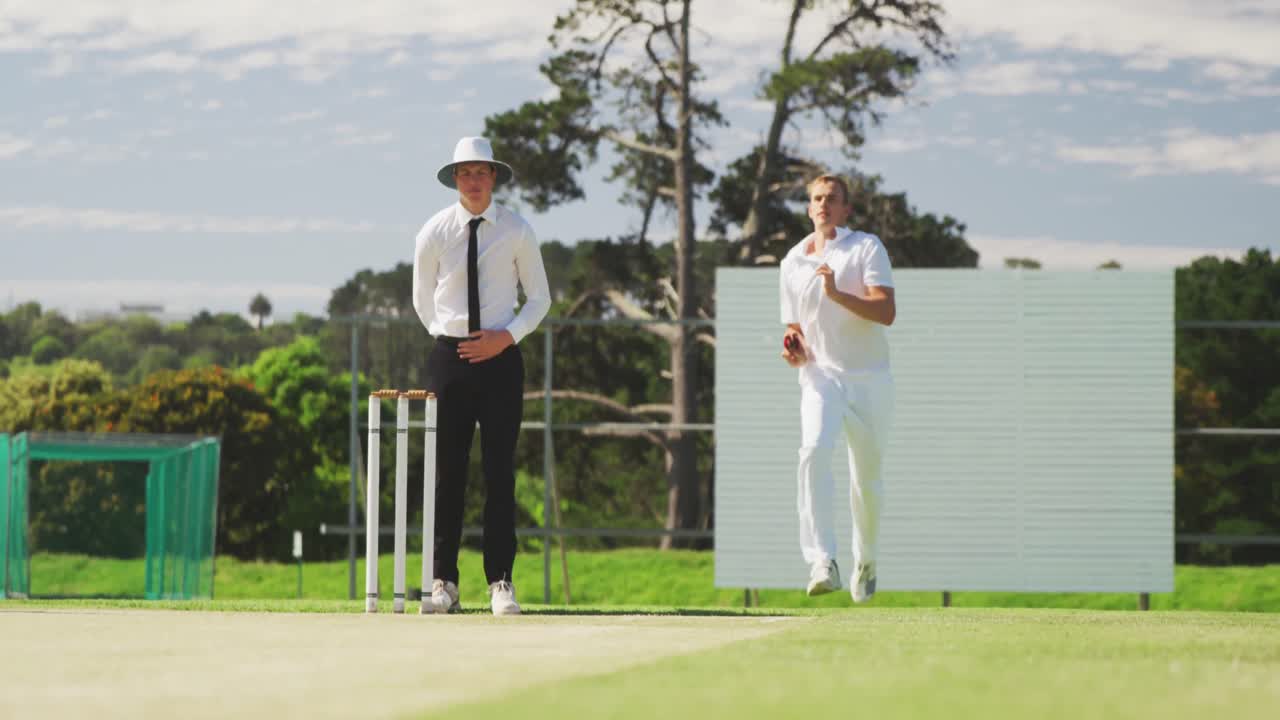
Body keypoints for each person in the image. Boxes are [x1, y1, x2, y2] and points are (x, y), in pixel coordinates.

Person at [412, 136, 551, 616]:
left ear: (493, 176)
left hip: (501, 359)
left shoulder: (517, 230)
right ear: (455, 178)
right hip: (449, 360)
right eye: (465, 172)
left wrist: (504, 338)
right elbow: (422, 299)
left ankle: (500, 581)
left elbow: (539, 299)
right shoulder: (433, 232)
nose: (473, 180)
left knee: (499, 472)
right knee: (446, 473)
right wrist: (449, 340)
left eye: (481, 171)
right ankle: (443, 581)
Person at [778, 173, 896, 603]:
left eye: (832, 198)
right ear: (809, 208)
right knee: (813, 451)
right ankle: (822, 560)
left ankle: (867, 560)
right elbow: (795, 327)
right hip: (820, 377)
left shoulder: (866, 247)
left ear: (846, 209)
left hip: (869, 380)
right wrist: (794, 348)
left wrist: (836, 293)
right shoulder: (792, 262)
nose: (823, 205)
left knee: (867, 482)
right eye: (816, 198)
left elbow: (885, 311)